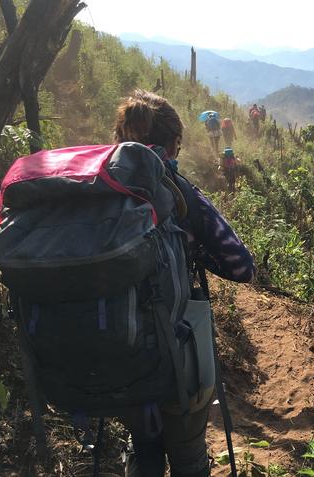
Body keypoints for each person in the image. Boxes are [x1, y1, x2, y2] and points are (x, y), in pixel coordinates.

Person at [113, 89, 255, 477]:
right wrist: (191, 247)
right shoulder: (178, 191)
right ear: (173, 143)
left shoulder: (97, 188)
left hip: (111, 359)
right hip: (174, 358)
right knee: (188, 456)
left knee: (143, 449)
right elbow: (241, 265)